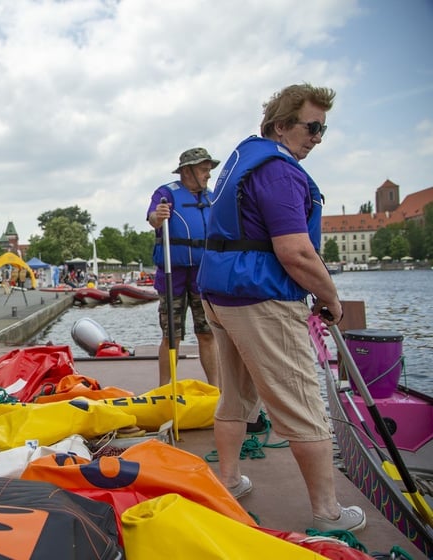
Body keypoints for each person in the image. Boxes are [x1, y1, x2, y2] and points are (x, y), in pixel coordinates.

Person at [197, 83, 366, 532]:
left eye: (322, 130)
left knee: (235, 395)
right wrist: (330, 298)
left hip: (221, 297)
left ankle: (229, 480)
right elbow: (296, 252)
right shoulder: (279, 172)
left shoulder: (245, 161)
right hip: (260, 300)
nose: (316, 137)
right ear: (280, 126)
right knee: (302, 404)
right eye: (311, 127)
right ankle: (329, 513)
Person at [147, 147, 220, 388]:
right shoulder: (166, 194)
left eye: (209, 170)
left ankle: (216, 390)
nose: (208, 174)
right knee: (172, 335)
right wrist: (159, 216)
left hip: (204, 275)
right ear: (187, 171)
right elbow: (153, 219)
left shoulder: (212, 197)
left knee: (207, 333)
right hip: (173, 275)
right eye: (203, 169)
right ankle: (165, 388)